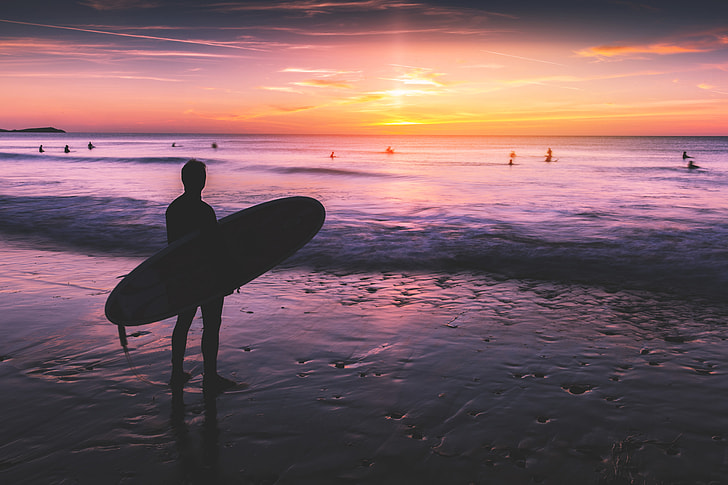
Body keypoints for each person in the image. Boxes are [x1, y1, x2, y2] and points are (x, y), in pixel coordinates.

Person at [166, 159, 235, 391]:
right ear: (200, 181)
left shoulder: (173, 210)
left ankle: (176, 373)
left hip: (184, 276)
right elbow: (216, 248)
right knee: (212, 324)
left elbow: (172, 249)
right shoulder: (205, 211)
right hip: (208, 276)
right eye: (201, 177)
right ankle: (210, 376)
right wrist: (229, 276)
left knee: (183, 322)